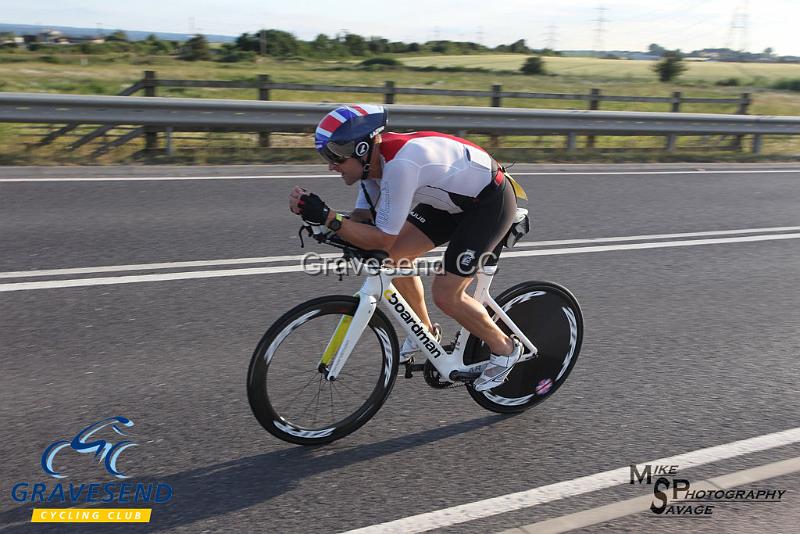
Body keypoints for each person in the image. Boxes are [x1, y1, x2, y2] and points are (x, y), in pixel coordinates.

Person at [289, 104, 521, 392]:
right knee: (391, 260)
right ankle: (426, 332)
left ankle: (506, 349)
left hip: (488, 202)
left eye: (335, 155)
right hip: (450, 202)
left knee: (447, 294)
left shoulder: (399, 166)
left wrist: (328, 216)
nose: (331, 165)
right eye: (326, 156)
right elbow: (362, 222)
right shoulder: (372, 169)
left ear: (361, 149)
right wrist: (321, 220)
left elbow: (381, 238)